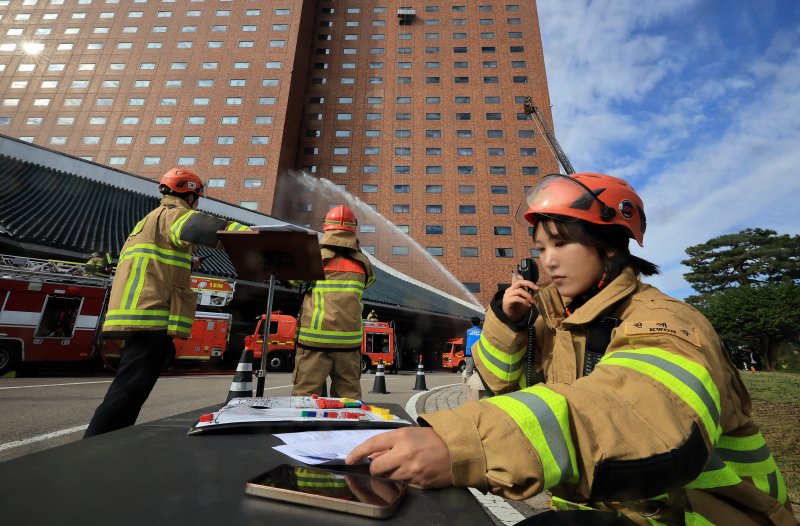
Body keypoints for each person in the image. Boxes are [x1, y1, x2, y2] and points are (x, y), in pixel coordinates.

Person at [348, 173, 794, 525]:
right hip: (605, 510)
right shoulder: (549, 317)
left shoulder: (668, 320)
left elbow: (636, 410)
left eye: (562, 243)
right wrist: (507, 323)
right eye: (540, 248)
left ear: (611, 248)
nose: (548, 260)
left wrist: (461, 444)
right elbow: (490, 383)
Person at [84, 168, 250, 438]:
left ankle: (108, 439)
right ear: (192, 195)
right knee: (129, 388)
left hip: (136, 312)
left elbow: (157, 262)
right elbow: (208, 229)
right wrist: (250, 235)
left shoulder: (149, 220)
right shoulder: (174, 214)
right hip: (151, 314)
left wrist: (189, 261)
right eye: (197, 197)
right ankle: (99, 442)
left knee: (131, 384)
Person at [291, 205, 375, 400]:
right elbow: (368, 283)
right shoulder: (364, 262)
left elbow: (292, 281)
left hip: (314, 344)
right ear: (353, 229)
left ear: (326, 227)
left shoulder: (314, 257)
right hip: (349, 346)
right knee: (348, 402)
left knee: (305, 401)